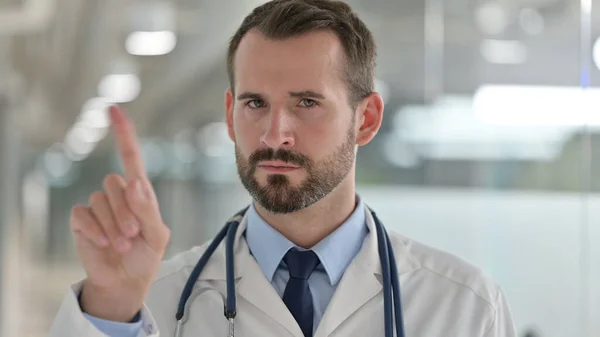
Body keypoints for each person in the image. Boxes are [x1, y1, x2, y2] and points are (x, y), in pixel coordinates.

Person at [47, 0, 517, 336]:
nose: (274, 135)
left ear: (366, 119)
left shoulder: (464, 307)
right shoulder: (152, 303)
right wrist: (110, 309)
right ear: (231, 113)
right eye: (255, 103)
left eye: (307, 103)